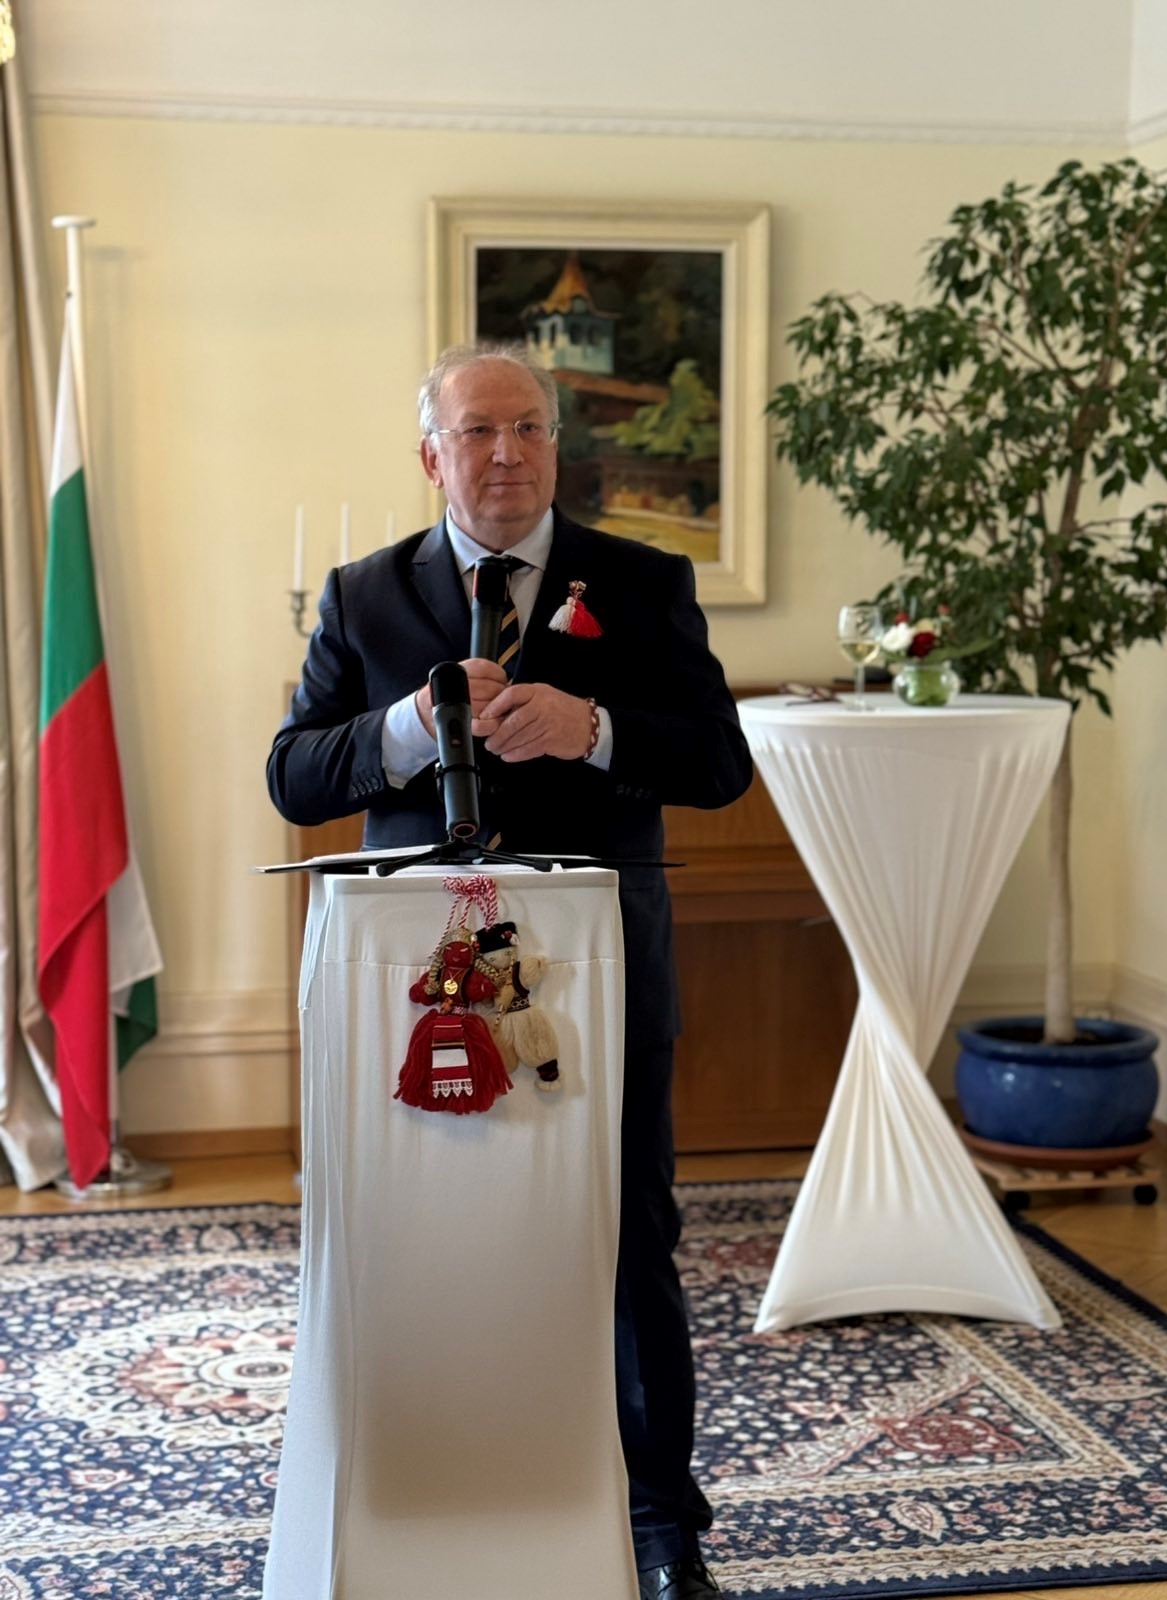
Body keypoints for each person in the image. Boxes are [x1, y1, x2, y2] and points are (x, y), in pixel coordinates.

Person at [267, 342, 752, 1600]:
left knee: (630, 1243)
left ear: (556, 446)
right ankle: (418, 1501)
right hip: (414, 992)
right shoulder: (364, 596)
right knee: (418, 1240)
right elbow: (293, 777)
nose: (506, 453)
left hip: (604, 975)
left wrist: (595, 730)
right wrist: (403, 729)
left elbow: (718, 762)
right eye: (477, 431)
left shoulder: (642, 581)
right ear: (431, 455)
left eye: (529, 428)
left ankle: (661, 1532)